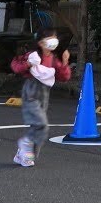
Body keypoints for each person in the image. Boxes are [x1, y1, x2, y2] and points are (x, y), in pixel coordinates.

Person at [10, 26, 70, 167]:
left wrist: (65, 63)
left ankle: (24, 155)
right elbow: (16, 66)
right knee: (41, 125)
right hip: (31, 92)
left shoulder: (54, 59)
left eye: (54, 39)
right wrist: (29, 63)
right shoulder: (32, 55)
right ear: (41, 42)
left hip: (44, 94)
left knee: (38, 128)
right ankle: (25, 144)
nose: (53, 42)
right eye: (49, 39)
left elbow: (64, 76)